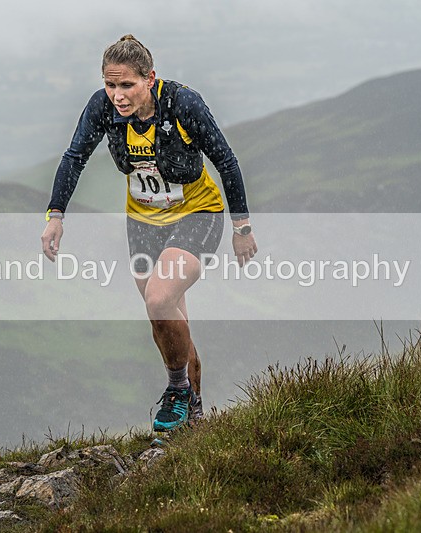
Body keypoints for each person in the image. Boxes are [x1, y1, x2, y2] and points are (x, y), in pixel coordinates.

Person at [41, 34, 257, 432]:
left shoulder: (183, 104)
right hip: (142, 221)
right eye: (110, 85)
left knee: (159, 299)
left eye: (127, 85)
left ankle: (175, 393)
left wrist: (241, 226)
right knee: (167, 319)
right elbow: (75, 156)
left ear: (149, 78)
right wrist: (56, 215)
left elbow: (225, 160)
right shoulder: (102, 108)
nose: (117, 95)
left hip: (197, 212)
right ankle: (194, 414)